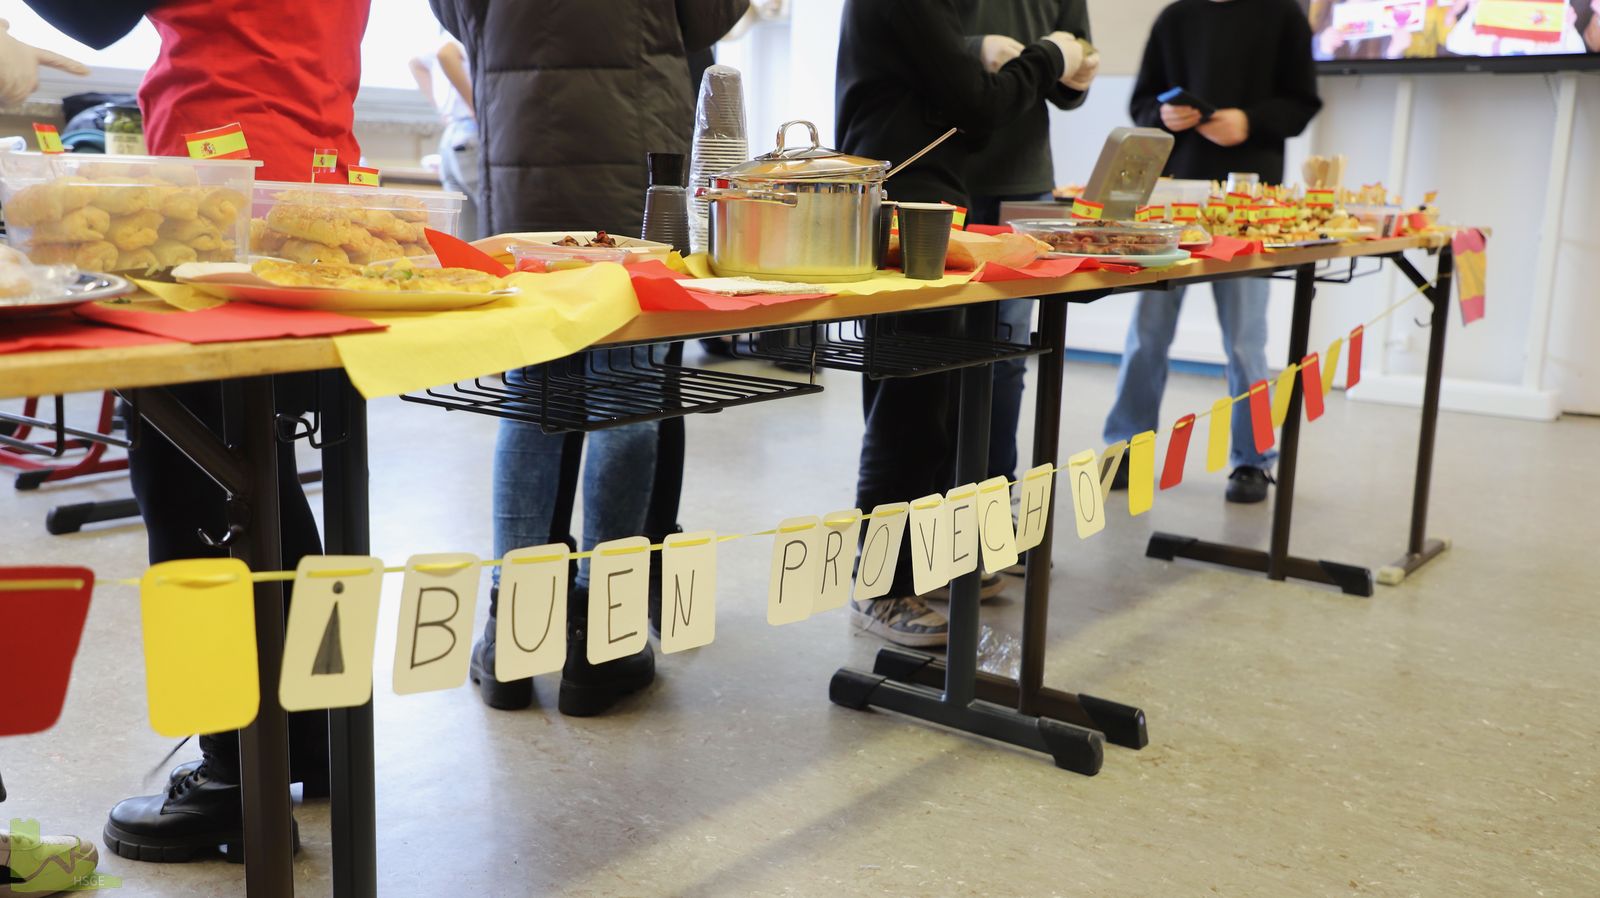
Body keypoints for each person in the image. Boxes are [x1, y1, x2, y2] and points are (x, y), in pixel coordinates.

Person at [23, 0, 370, 862]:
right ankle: (316, 734)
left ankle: (231, 776)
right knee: (257, 468)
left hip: (213, 194)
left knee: (188, 475)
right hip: (317, 177)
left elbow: (95, 19)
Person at [431, 0, 748, 716]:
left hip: (523, 153)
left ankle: (513, 630)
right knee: (626, 397)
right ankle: (604, 635)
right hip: (633, 161)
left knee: (533, 395)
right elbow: (706, 16)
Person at [836, 0, 1088, 647]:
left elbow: (959, 94)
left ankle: (917, 571)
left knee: (933, 401)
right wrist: (1050, 55)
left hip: (928, 201)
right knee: (910, 402)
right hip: (906, 204)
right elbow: (977, 105)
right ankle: (882, 588)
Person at [1104, 0, 1321, 505]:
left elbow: (1302, 103)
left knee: (1246, 340)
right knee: (1147, 332)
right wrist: (1160, 115)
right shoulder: (1175, 18)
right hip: (1171, 197)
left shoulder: (1284, 16)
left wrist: (1249, 121)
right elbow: (1140, 103)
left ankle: (1251, 460)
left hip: (1249, 204)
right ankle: (1126, 450)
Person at [962, 0, 1098, 588]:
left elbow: (1073, 80)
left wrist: (1077, 70)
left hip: (1025, 186)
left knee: (1008, 361)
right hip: (947, 177)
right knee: (932, 362)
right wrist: (976, 50)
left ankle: (995, 525)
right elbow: (908, 44)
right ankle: (928, 531)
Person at [409, 38, 481, 242]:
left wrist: (442, 109)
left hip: (452, 135)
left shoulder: (443, 35)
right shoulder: (463, 32)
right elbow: (446, 54)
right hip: (472, 131)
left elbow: (416, 63)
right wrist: (476, 108)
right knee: (492, 223)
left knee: (465, 234)